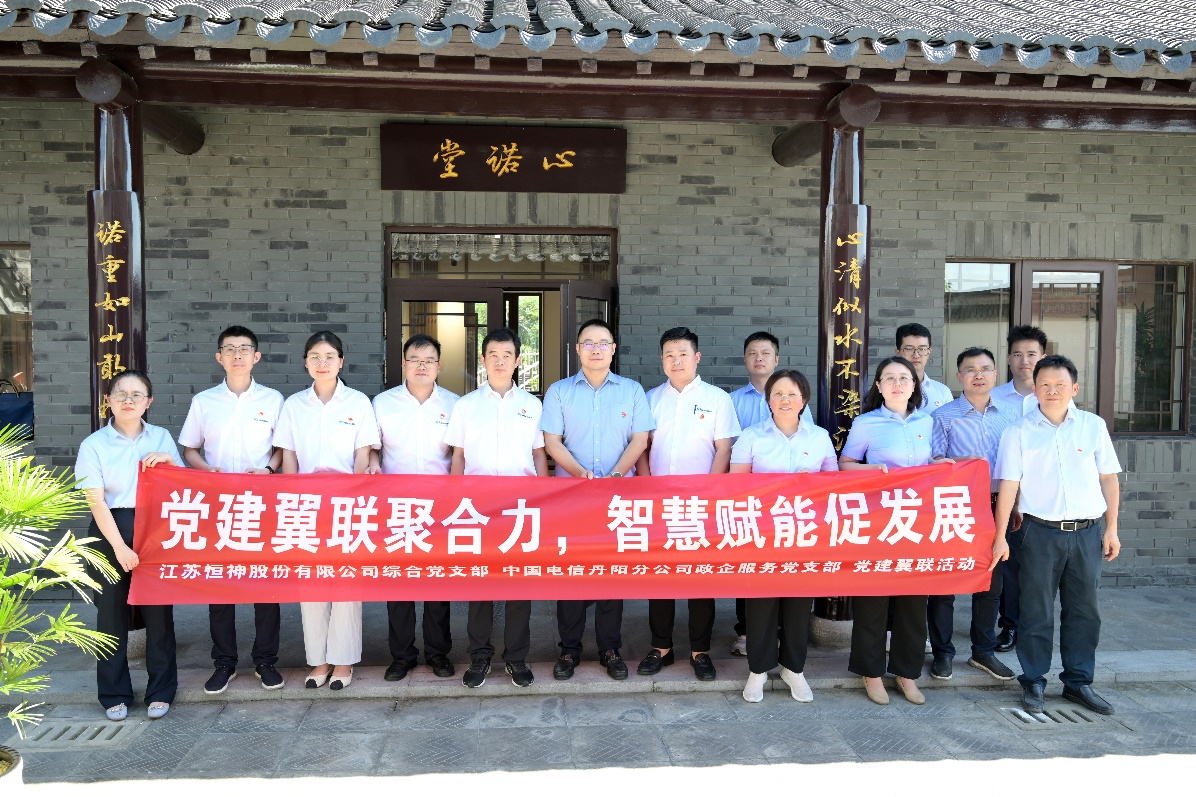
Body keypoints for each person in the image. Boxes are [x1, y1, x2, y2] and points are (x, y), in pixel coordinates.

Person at [991, 354, 1122, 716]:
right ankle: (1033, 680)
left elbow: (1108, 479)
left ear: (1074, 388)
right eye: (1045, 384)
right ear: (1034, 388)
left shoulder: (1092, 426)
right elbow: (1008, 486)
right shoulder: (1018, 432)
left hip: (1087, 532)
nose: (1052, 390)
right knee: (1035, 610)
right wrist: (1000, 536)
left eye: (1059, 384)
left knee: (1085, 611)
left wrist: (1112, 528)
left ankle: (1078, 682)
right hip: (1038, 533)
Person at [542, 318, 653, 681]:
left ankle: (610, 648)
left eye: (603, 343)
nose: (595, 349)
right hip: (571, 498)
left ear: (613, 349)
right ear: (577, 349)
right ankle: (569, 650)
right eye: (588, 343)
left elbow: (640, 440)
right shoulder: (559, 391)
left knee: (610, 575)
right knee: (571, 575)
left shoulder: (632, 391)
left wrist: (616, 476)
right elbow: (552, 441)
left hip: (618, 499)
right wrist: (579, 474)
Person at [178, 325, 286, 695]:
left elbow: (283, 448)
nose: (237, 355)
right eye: (230, 349)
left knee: (266, 585)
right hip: (218, 505)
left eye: (244, 349)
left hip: (262, 504)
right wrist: (206, 471)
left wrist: (269, 469)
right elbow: (189, 448)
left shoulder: (273, 400)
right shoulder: (204, 401)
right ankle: (224, 662)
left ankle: (265, 660)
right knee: (220, 584)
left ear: (256, 357)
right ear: (219, 357)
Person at [76, 370, 185, 721]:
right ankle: (113, 693)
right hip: (109, 531)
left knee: (159, 615)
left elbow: (183, 487)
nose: (128, 400)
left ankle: (161, 691)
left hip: (155, 531)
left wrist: (170, 462)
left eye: (137, 394)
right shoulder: (94, 444)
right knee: (110, 616)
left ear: (148, 402)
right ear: (108, 400)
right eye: (120, 393)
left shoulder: (161, 437)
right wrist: (120, 547)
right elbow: (96, 501)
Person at [274, 330, 379, 691]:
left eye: (329, 356)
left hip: (346, 503)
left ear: (341, 362)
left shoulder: (358, 403)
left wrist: (354, 497)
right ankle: (319, 661)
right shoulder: (294, 405)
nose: (322, 363)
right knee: (312, 581)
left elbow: (363, 455)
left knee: (346, 583)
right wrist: (292, 498)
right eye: (315, 357)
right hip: (305, 504)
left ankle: (344, 662)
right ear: (306, 363)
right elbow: (289, 456)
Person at [444, 328, 547, 688]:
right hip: (477, 507)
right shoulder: (466, 405)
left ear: (518, 361)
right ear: (483, 360)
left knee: (520, 586)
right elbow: (458, 456)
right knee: (480, 586)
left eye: (507, 355)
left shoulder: (532, 405)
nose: (500, 361)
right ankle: (480, 656)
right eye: (493, 355)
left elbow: (538, 454)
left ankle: (516, 658)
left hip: (521, 507)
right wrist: (456, 502)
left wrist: (543, 499)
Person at [635, 327, 740, 682]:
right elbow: (642, 448)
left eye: (682, 354)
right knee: (660, 577)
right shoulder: (650, 398)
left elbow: (724, 449)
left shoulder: (717, 399)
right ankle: (660, 648)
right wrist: (648, 489)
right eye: (669, 354)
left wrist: (708, 494)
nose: (676, 360)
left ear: (696, 357)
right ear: (662, 359)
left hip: (701, 505)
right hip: (660, 503)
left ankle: (700, 651)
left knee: (700, 579)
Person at [840, 356, 944, 706]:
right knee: (873, 598)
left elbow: (929, 463)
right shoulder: (866, 423)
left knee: (913, 601)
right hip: (879, 521)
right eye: (889, 378)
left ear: (914, 385)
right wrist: (874, 471)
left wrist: (940, 466)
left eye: (904, 378)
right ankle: (871, 673)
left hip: (918, 522)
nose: (897, 383)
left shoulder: (927, 421)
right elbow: (845, 465)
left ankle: (907, 672)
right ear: (879, 386)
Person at [730, 369, 837, 703]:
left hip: (804, 534)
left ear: (803, 400)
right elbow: (736, 485)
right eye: (778, 393)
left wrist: (813, 483)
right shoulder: (751, 436)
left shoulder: (819, 437)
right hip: (761, 533)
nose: (785, 400)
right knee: (760, 605)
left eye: (792, 394)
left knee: (797, 604)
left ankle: (794, 668)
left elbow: (834, 485)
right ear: (768, 400)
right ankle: (758, 670)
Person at [925, 347, 1019, 683]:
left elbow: (1018, 467)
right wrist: (951, 466)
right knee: (945, 583)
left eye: (985, 369)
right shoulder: (943, 416)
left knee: (990, 581)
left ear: (995, 374)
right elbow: (934, 461)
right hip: (956, 504)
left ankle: (983, 651)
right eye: (970, 369)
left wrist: (1015, 506)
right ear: (959, 376)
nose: (978, 375)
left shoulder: (1011, 415)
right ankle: (943, 653)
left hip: (997, 504)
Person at [370, 333, 458, 682]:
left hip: (440, 506)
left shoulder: (454, 404)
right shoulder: (382, 403)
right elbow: (372, 448)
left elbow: (459, 454)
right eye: (415, 360)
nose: (422, 365)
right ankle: (402, 655)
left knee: (437, 583)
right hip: (397, 506)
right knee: (399, 583)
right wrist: (374, 467)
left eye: (429, 360)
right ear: (403, 363)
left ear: (439, 365)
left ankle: (438, 653)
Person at [726, 331, 811, 657]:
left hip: (793, 507)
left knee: (788, 570)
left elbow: (810, 444)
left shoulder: (798, 402)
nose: (758, 358)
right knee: (749, 567)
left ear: (776, 359)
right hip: (751, 501)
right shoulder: (733, 401)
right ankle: (746, 631)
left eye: (765, 353)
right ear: (745, 359)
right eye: (752, 352)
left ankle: (784, 636)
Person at [990, 325, 1049, 653]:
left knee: (1039, 567)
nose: (1024, 360)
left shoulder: (1053, 396)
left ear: (1043, 356)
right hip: (1005, 493)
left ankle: (1035, 626)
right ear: (1009, 359)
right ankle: (1009, 625)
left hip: (1043, 496)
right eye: (1017, 354)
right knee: (1008, 565)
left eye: (1031, 354)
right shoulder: (995, 398)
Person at [895, 322, 953, 411]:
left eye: (922, 349)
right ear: (898, 352)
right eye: (909, 349)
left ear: (929, 352)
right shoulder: (887, 390)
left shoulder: (943, 392)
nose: (916, 355)